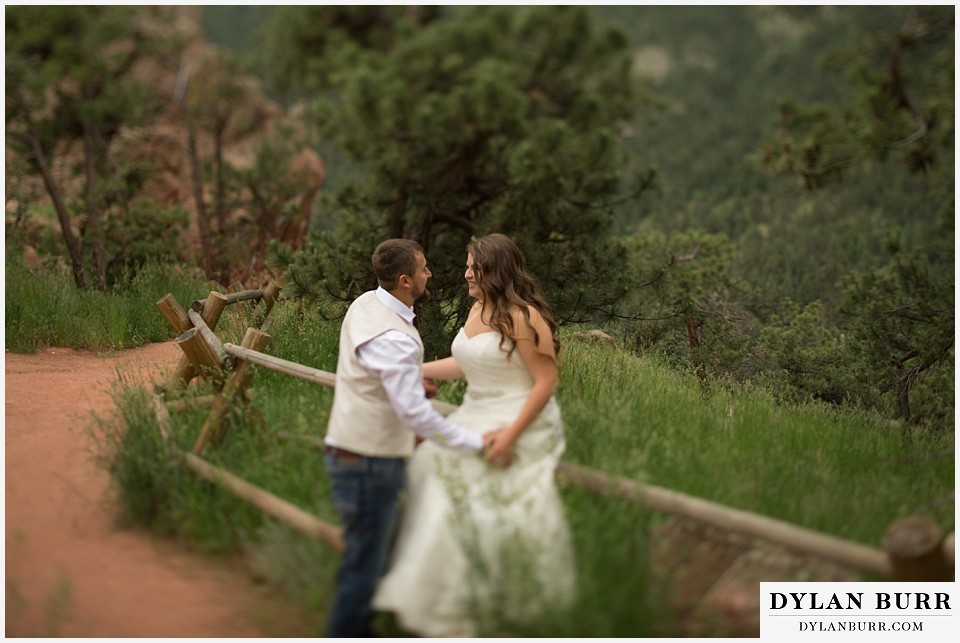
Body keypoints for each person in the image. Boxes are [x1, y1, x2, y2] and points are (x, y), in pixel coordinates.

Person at [373, 233, 576, 637]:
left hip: (518, 416)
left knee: (471, 506)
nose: (465, 272)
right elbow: (466, 363)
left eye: (473, 266)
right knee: (431, 470)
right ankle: (438, 598)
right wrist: (414, 370)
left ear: (494, 270)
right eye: (467, 265)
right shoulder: (477, 309)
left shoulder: (524, 315)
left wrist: (511, 435)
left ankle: (476, 603)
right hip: (477, 411)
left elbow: (545, 382)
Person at [323, 238, 500, 638]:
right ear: (405, 280)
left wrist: (410, 383)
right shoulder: (395, 337)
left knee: (366, 562)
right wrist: (474, 443)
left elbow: (380, 377)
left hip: (350, 452)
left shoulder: (366, 303)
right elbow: (413, 415)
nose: (429, 273)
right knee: (362, 576)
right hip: (368, 462)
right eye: (423, 269)